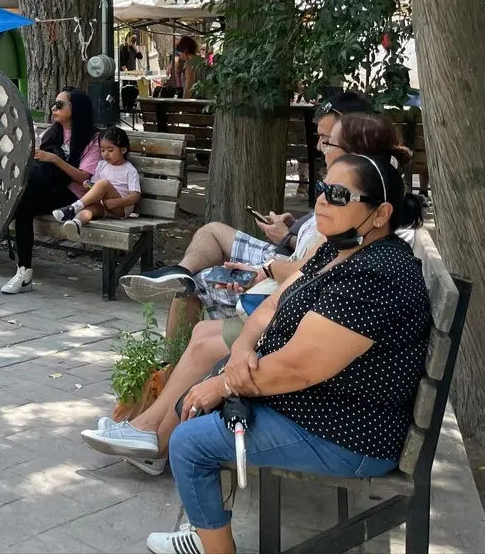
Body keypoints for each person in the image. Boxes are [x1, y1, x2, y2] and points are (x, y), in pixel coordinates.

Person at [80, 110, 414, 477]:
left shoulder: (366, 247)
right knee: (210, 246)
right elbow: (303, 281)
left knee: (207, 341)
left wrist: (228, 377)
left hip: (340, 411)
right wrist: (286, 233)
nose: (320, 147)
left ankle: (157, 438)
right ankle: (180, 281)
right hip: (291, 307)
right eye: (322, 189)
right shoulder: (350, 223)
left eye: (328, 140)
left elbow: (303, 354)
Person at [142, 154, 429, 554]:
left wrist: (226, 382)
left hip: (351, 433)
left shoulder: (376, 276)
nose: (323, 201)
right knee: (199, 398)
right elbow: (274, 304)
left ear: (380, 213)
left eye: (339, 194)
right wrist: (241, 349)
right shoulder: (338, 247)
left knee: (189, 441)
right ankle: (205, 527)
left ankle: (213, 545)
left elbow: (299, 367)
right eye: (323, 189)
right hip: (323, 404)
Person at [120, 91, 373, 338]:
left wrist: (282, 244)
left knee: (195, 284)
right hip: (287, 258)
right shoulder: (352, 180)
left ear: (352, 138)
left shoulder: (355, 193)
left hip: (285, 274)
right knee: (211, 231)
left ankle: (171, 364)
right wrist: (293, 228)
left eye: (326, 140)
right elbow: (321, 245)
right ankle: (178, 271)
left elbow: (317, 262)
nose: (319, 146)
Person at [1, 86, 99, 295]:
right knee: (23, 203)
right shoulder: (50, 133)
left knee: (22, 200)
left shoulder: (91, 140)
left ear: (77, 109)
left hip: (72, 195)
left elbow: (83, 177)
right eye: (54, 104)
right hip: (44, 188)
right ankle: (24, 270)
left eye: (60, 105)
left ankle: (22, 268)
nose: (54, 108)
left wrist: (54, 159)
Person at [52, 126, 141, 237]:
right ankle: (75, 224)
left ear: (123, 150)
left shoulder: (129, 170)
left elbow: (135, 196)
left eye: (110, 150)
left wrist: (115, 202)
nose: (105, 154)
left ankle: (72, 208)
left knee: (104, 183)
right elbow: (95, 186)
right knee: (87, 211)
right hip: (103, 206)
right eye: (102, 150)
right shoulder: (101, 165)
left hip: (120, 208)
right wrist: (88, 185)